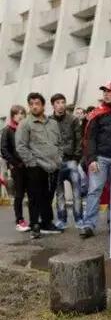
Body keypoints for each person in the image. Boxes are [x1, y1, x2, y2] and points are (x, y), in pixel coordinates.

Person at [80, 82, 111, 239]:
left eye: (109, 91)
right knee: (94, 191)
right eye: (104, 91)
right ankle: (88, 225)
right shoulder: (97, 113)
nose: (106, 94)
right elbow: (89, 138)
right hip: (100, 158)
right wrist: (91, 159)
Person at [16, 93, 63, 238]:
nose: (34, 106)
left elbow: (60, 143)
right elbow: (21, 146)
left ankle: (47, 223)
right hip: (36, 166)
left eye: (37, 103)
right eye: (31, 104)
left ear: (43, 105)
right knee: (35, 197)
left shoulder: (53, 123)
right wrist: (32, 163)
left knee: (48, 197)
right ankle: (35, 224)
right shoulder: (25, 123)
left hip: (53, 166)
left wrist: (59, 159)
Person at [50, 93, 83, 229]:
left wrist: (76, 158)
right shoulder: (49, 121)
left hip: (71, 161)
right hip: (55, 162)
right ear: (53, 105)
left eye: (63, 102)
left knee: (77, 192)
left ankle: (79, 219)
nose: (61, 105)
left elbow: (79, 140)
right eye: (57, 103)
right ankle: (62, 220)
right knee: (60, 194)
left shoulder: (73, 120)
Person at [1, 105, 29, 231]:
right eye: (18, 114)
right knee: (19, 194)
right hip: (16, 166)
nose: (20, 116)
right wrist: (14, 162)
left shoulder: (26, 128)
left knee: (32, 192)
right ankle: (19, 220)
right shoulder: (8, 130)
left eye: (22, 113)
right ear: (13, 116)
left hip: (29, 165)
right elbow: (3, 149)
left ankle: (34, 220)